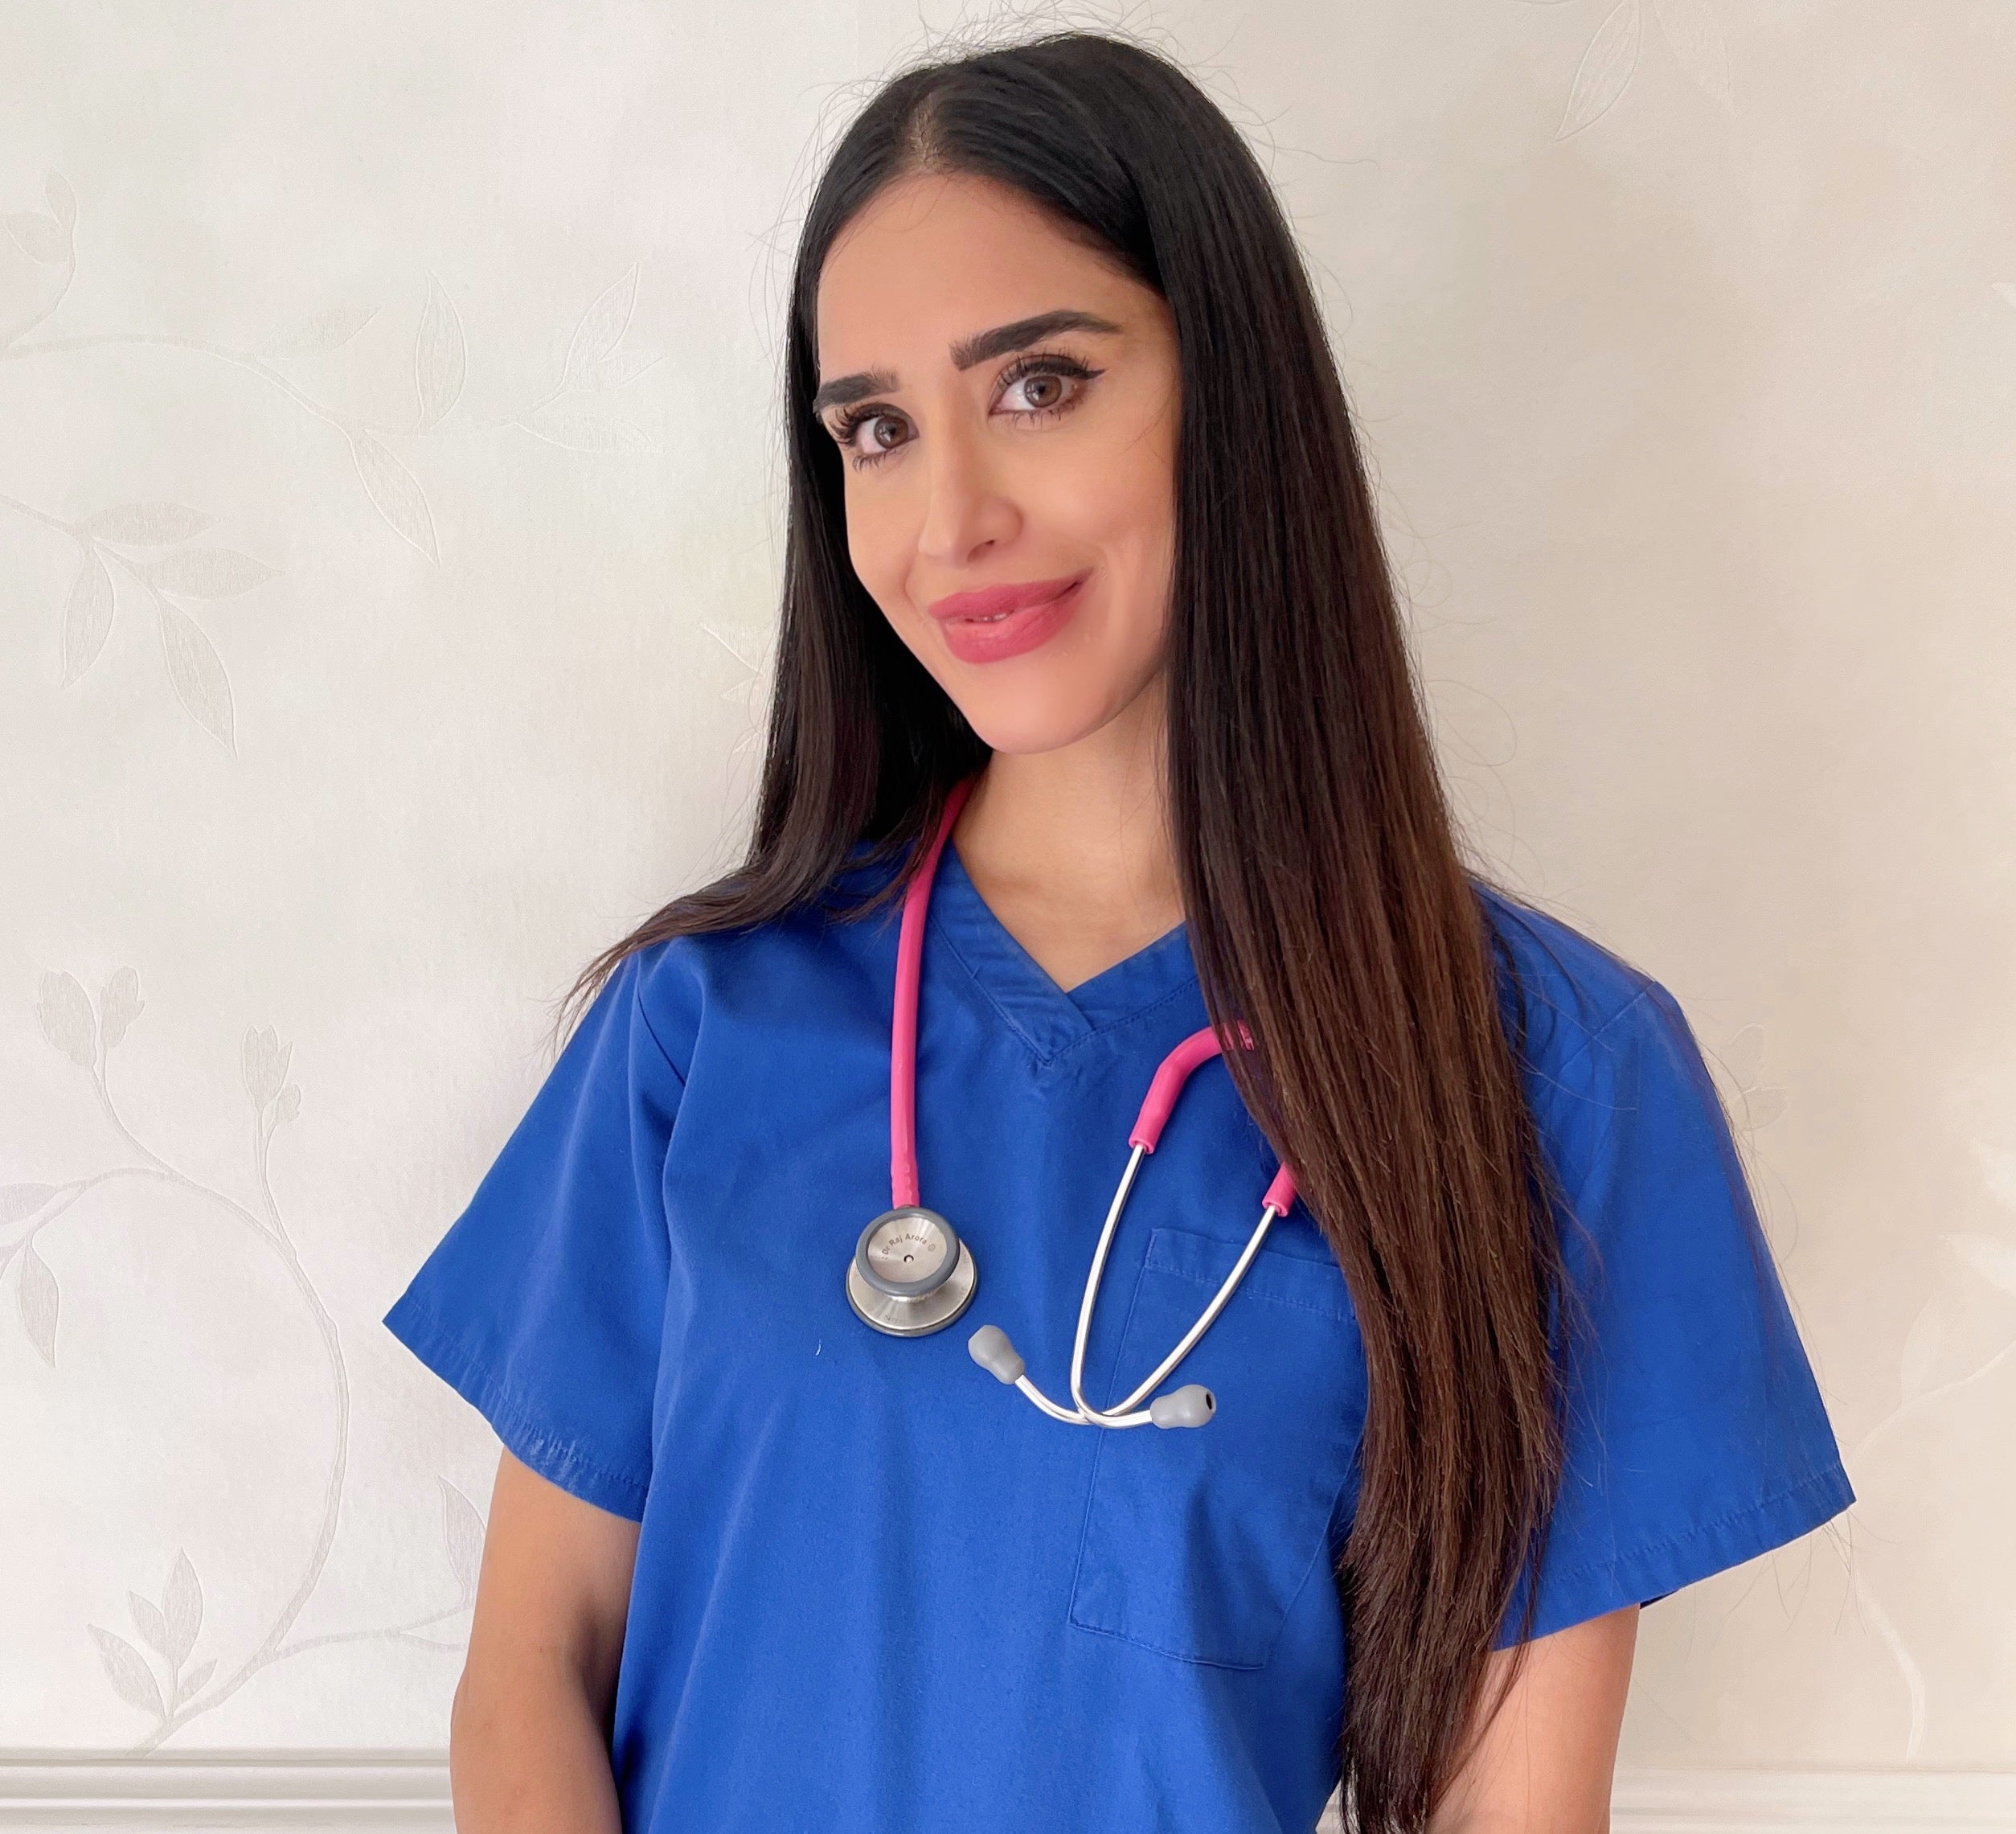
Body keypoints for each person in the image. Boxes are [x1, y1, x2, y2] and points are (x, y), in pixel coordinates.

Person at [380, 27, 1854, 1834]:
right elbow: (535, 1660)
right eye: (876, 429)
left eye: (1041, 385)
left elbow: (1507, 1811)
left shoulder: (1550, 1073)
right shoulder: (703, 1029)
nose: (953, 520)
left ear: (1230, 389)